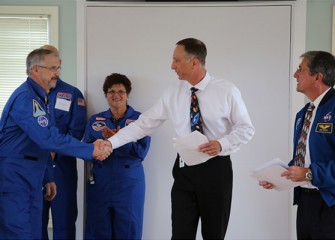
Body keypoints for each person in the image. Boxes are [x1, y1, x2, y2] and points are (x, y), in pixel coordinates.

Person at [105, 38, 255, 239]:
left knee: (214, 234)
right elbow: (143, 124)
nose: (172, 66)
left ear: (194, 62)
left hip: (216, 171)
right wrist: (110, 143)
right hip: (184, 172)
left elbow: (246, 128)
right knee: (180, 235)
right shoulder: (172, 93)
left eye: (176, 60)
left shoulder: (227, 90)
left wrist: (221, 144)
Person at [0, 48, 111, 239]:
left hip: (33, 178)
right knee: (19, 234)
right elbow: (47, 138)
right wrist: (90, 149)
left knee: (35, 233)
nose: (57, 73)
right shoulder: (27, 98)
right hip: (16, 181)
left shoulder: (40, 97)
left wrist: (48, 177)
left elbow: (41, 143)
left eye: (58, 68)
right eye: (52, 68)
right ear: (36, 70)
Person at [259, 51, 335, 239]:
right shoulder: (304, 114)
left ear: (318, 76)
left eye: (300, 70)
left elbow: (308, 169)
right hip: (306, 202)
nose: (295, 75)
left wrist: (310, 173)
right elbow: (303, 159)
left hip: (330, 203)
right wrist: (278, 177)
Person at [83, 73, 151, 239]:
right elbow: (85, 152)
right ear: (106, 95)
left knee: (128, 229)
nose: (116, 95)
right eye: (111, 91)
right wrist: (102, 142)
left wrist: (121, 139)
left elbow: (141, 153)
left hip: (129, 182)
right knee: (98, 228)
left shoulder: (140, 120)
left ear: (127, 94)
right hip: (101, 181)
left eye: (121, 91)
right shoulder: (95, 121)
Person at [39, 45, 87, 239]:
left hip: (62, 167)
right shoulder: (28, 95)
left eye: (55, 64)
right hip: (36, 165)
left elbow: (77, 130)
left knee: (64, 222)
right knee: (35, 221)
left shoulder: (73, 94)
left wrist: (55, 150)